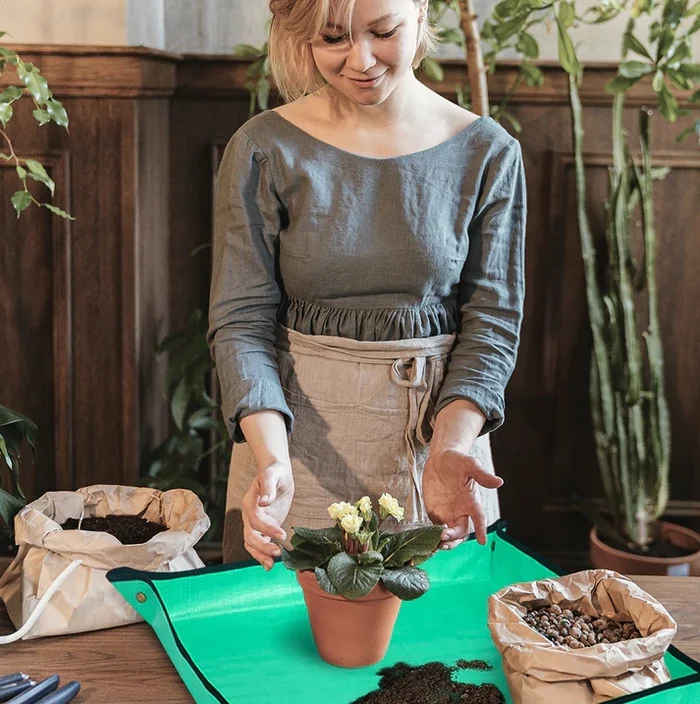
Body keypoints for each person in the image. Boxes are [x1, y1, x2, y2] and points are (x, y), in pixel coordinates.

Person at [207, 0, 527, 568]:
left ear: (421, 12)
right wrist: (273, 462)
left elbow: (493, 324)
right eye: (333, 38)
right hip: (289, 449)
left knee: (440, 651)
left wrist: (451, 447)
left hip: (438, 453)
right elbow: (241, 322)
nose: (360, 60)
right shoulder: (262, 147)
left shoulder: (488, 151)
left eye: (383, 32)